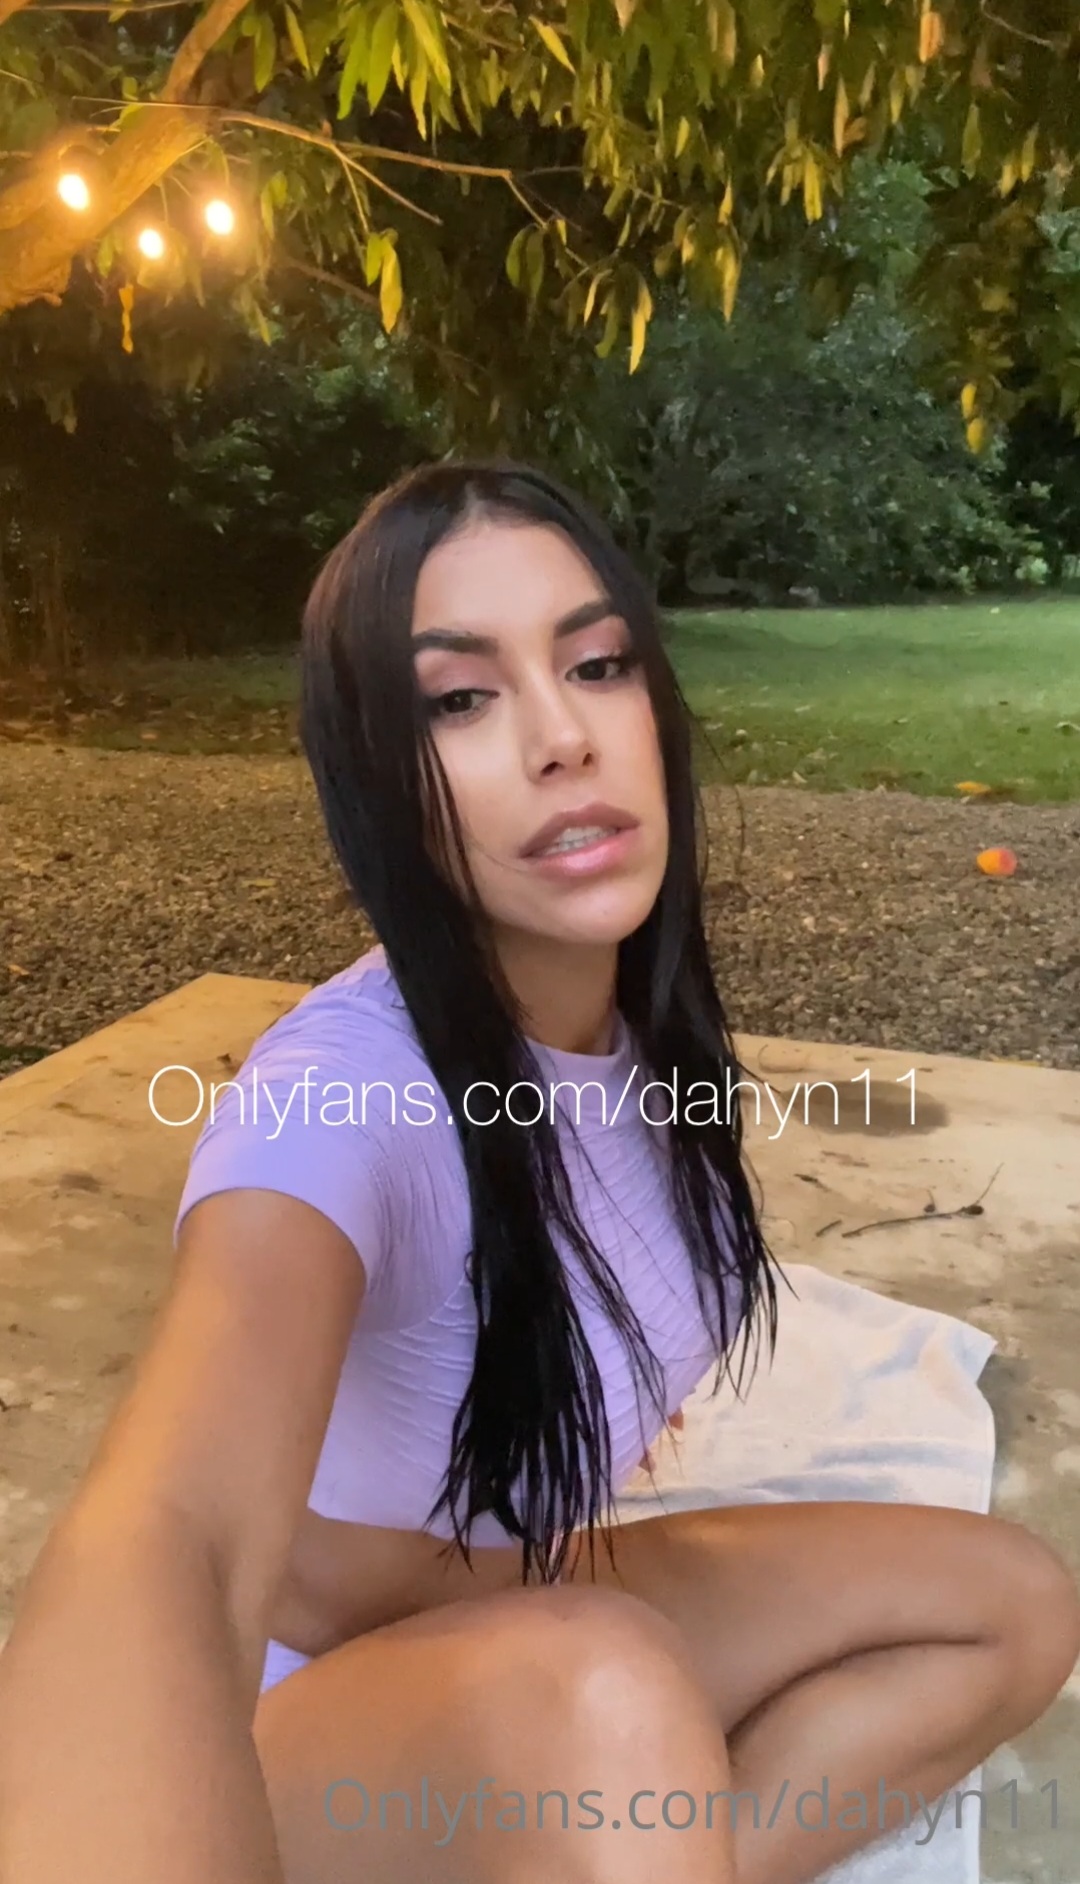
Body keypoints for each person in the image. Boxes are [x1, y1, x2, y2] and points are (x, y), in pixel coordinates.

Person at [0, 461, 1077, 1884]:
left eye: (596, 664)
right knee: (607, 1698)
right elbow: (167, 1540)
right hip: (301, 1743)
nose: (562, 736)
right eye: (460, 699)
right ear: (376, 777)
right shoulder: (335, 1099)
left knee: (1008, 1603)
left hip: (527, 1602)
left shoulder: (640, 1028)